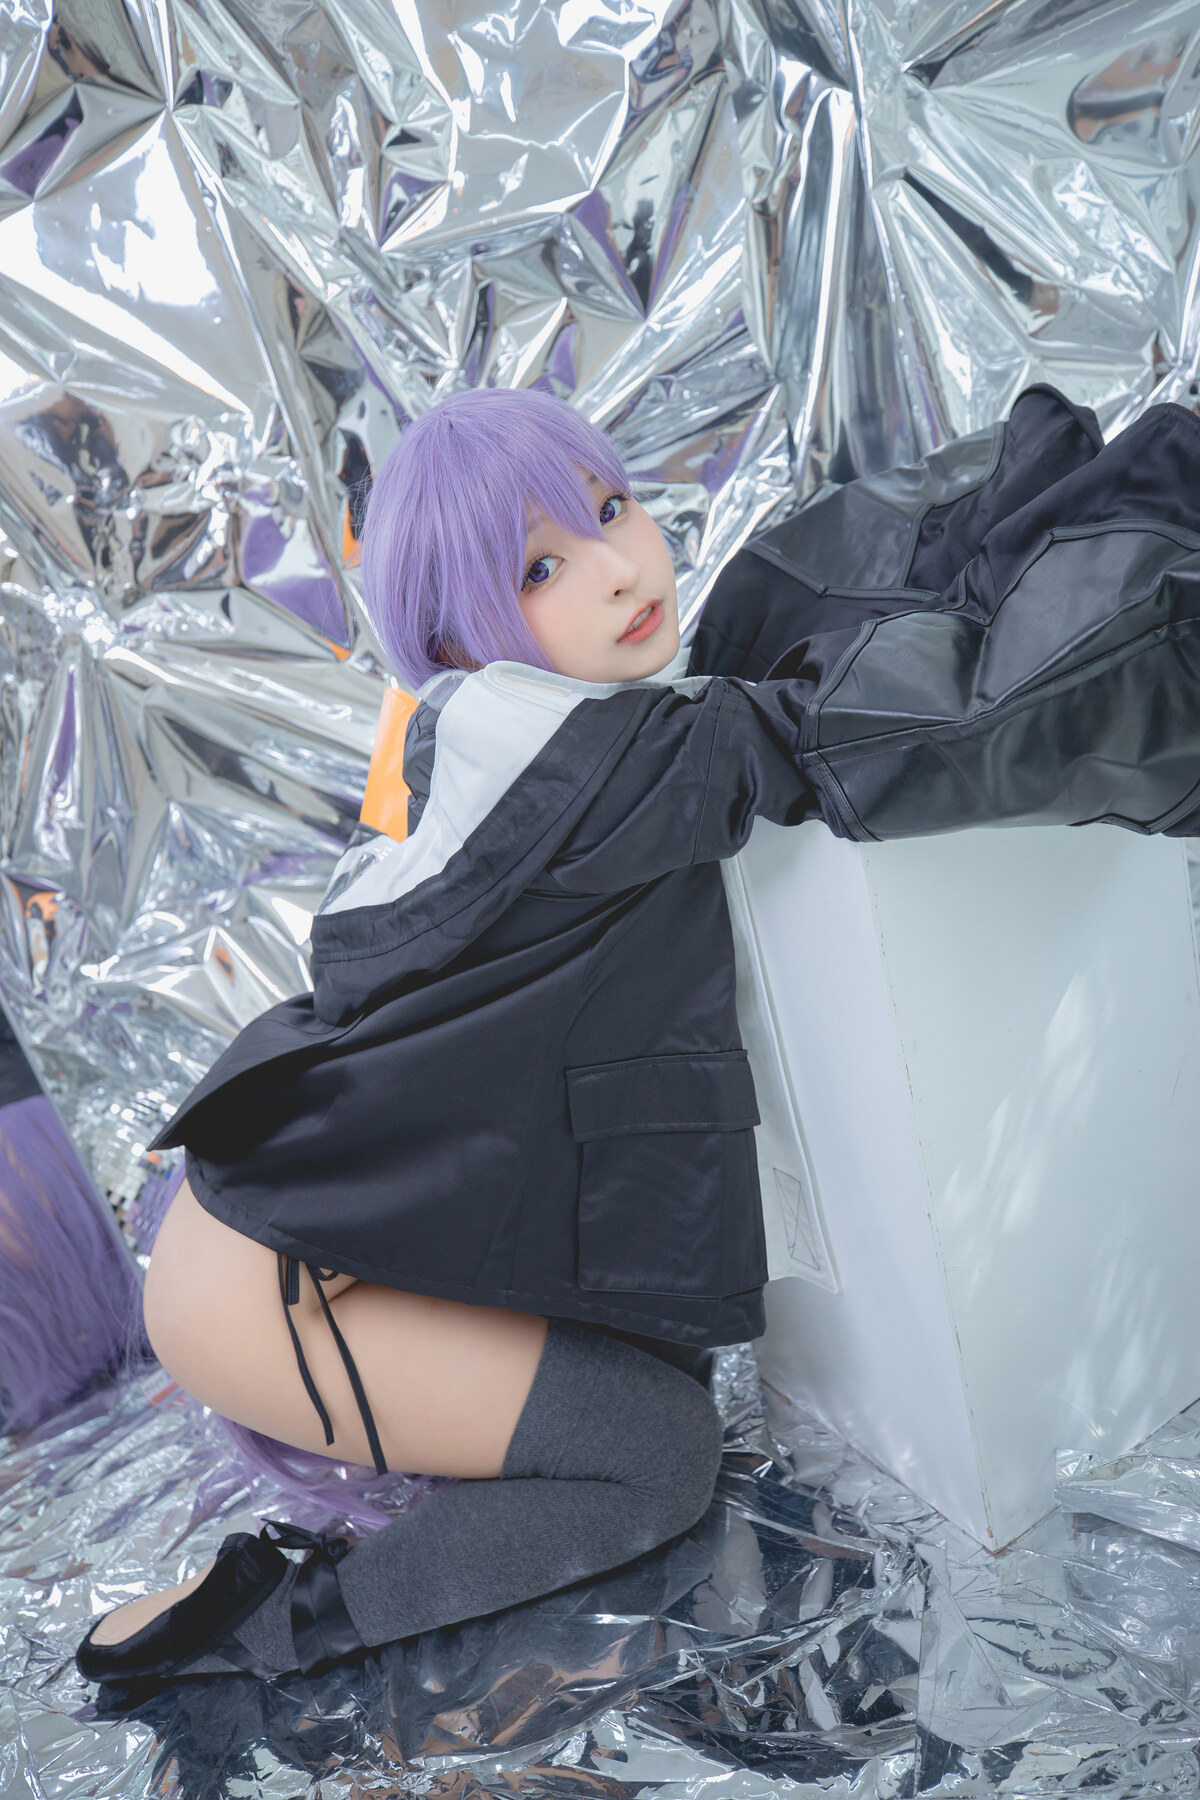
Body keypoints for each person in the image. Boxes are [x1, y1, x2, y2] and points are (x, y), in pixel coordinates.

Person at [76, 382, 1200, 1689]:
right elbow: (929, 720)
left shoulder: (506, 736)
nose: (617, 568)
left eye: (610, 509)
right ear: (456, 638)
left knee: (642, 1393)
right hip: (261, 1285)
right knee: (654, 1460)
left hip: (276, 1235)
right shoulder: (590, 757)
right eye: (541, 567)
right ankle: (255, 1626)